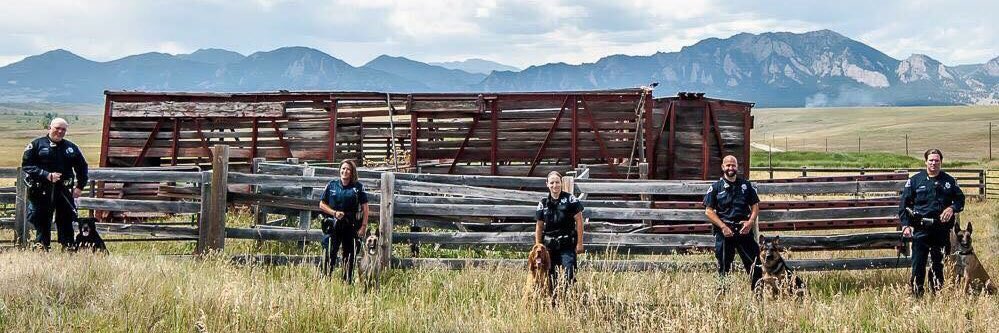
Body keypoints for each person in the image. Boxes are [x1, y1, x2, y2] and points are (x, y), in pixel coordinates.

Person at [899, 148, 965, 296]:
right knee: (918, 264)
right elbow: (904, 205)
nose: (934, 163)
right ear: (925, 162)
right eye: (931, 160)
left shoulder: (949, 181)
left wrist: (952, 208)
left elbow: (960, 200)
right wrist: (905, 225)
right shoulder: (915, 181)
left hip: (940, 229)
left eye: (937, 160)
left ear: (941, 162)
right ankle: (917, 294)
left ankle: (937, 294)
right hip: (921, 228)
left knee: (938, 264)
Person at [22, 118, 89, 251]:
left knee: (65, 219)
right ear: (49, 127)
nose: (60, 131)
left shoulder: (71, 147)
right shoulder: (36, 144)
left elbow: (82, 167)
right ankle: (42, 247)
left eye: (63, 129)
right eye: (57, 128)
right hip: (41, 191)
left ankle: (68, 247)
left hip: (64, 190)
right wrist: (46, 175)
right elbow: (27, 165)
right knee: (42, 219)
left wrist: (80, 186)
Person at [703, 155, 763, 292]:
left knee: (755, 264)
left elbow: (755, 205)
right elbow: (709, 211)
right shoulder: (716, 187)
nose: (731, 168)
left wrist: (750, 222)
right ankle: (723, 295)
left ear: (737, 167)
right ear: (723, 167)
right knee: (724, 266)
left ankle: (758, 294)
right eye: (728, 165)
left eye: (733, 165)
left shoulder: (745, 186)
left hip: (744, 230)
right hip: (725, 232)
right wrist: (723, 226)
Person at [318, 159, 370, 282]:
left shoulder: (358, 187)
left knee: (349, 256)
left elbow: (365, 207)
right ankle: (326, 281)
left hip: (350, 225)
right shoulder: (332, 185)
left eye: (348, 169)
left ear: (352, 172)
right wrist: (334, 213)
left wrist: (363, 226)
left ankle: (347, 283)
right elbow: (321, 204)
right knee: (329, 253)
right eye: (343, 168)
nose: (345, 171)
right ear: (339, 170)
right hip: (333, 225)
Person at [534, 171, 585, 295]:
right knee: (550, 276)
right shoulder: (543, 203)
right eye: (552, 183)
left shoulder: (570, 199)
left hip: (567, 244)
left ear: (561, 183)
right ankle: (553, 303)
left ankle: (567, 300)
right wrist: (538, 247)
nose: (554, 185)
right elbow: (539, 226)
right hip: (549, 246)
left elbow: (579, 221)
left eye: (557, 182)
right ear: (547, 184)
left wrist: (579, 243)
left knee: (569, 274)